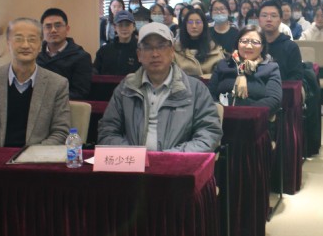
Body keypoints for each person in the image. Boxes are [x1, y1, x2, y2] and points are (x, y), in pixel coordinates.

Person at [97, 23, 221, 152]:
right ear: (139, 54)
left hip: (177, 162)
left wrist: (170, 157)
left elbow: (209, 132)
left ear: (172, 51)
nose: (155, 54)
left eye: (161, 46)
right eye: (147, 47)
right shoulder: (126, 88)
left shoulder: (195, 89)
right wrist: (135, 156)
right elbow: (107, 131)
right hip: (134, 162)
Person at [0, 18, 71, 147]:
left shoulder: (57, 84)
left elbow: (61, 132)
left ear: (40, 45)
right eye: (18, 39)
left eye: (32, 39)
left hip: (36, 156)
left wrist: (34, 154)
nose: (25, 45)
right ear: (8, 43)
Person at [210, 25, 283, 110]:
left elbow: (274, 99)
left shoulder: (270, 68)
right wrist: (220, 111)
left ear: (262, 47)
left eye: (255, 42)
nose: (248, 46)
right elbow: (209, 94)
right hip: (220, 115)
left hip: (254, 116)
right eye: (244, 41)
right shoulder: (224, 65)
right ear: (237, 44)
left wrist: (246, 112)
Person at [36, 7, 92, 100]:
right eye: (48, 26)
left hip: (66, 105)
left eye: (58, 26)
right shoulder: (36, 57)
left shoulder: (81, 57)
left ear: (67, 29)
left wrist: (49, 98)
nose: (53, 30)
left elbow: (80, 93)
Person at [259, 0, 303, 82]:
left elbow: (296, 77)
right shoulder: (254, 45)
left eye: (273, 16)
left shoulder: (290, 47)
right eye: (264, 15)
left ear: (280, 20)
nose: (269, 19)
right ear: (259, 20)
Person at [175, 8, 225, 77]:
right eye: (190, 22)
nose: (194, 26)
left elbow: (221, 75)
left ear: (204, 24)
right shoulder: (176, 51)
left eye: (198, 22)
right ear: (185, 25)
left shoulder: (215, 50)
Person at [93, 10, 141, 75]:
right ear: (115, 27)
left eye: (127, 25)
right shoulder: (104, 51)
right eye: (120, 25)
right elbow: (95, 73)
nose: (124, 28)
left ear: (134, 27)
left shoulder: (140, 50)